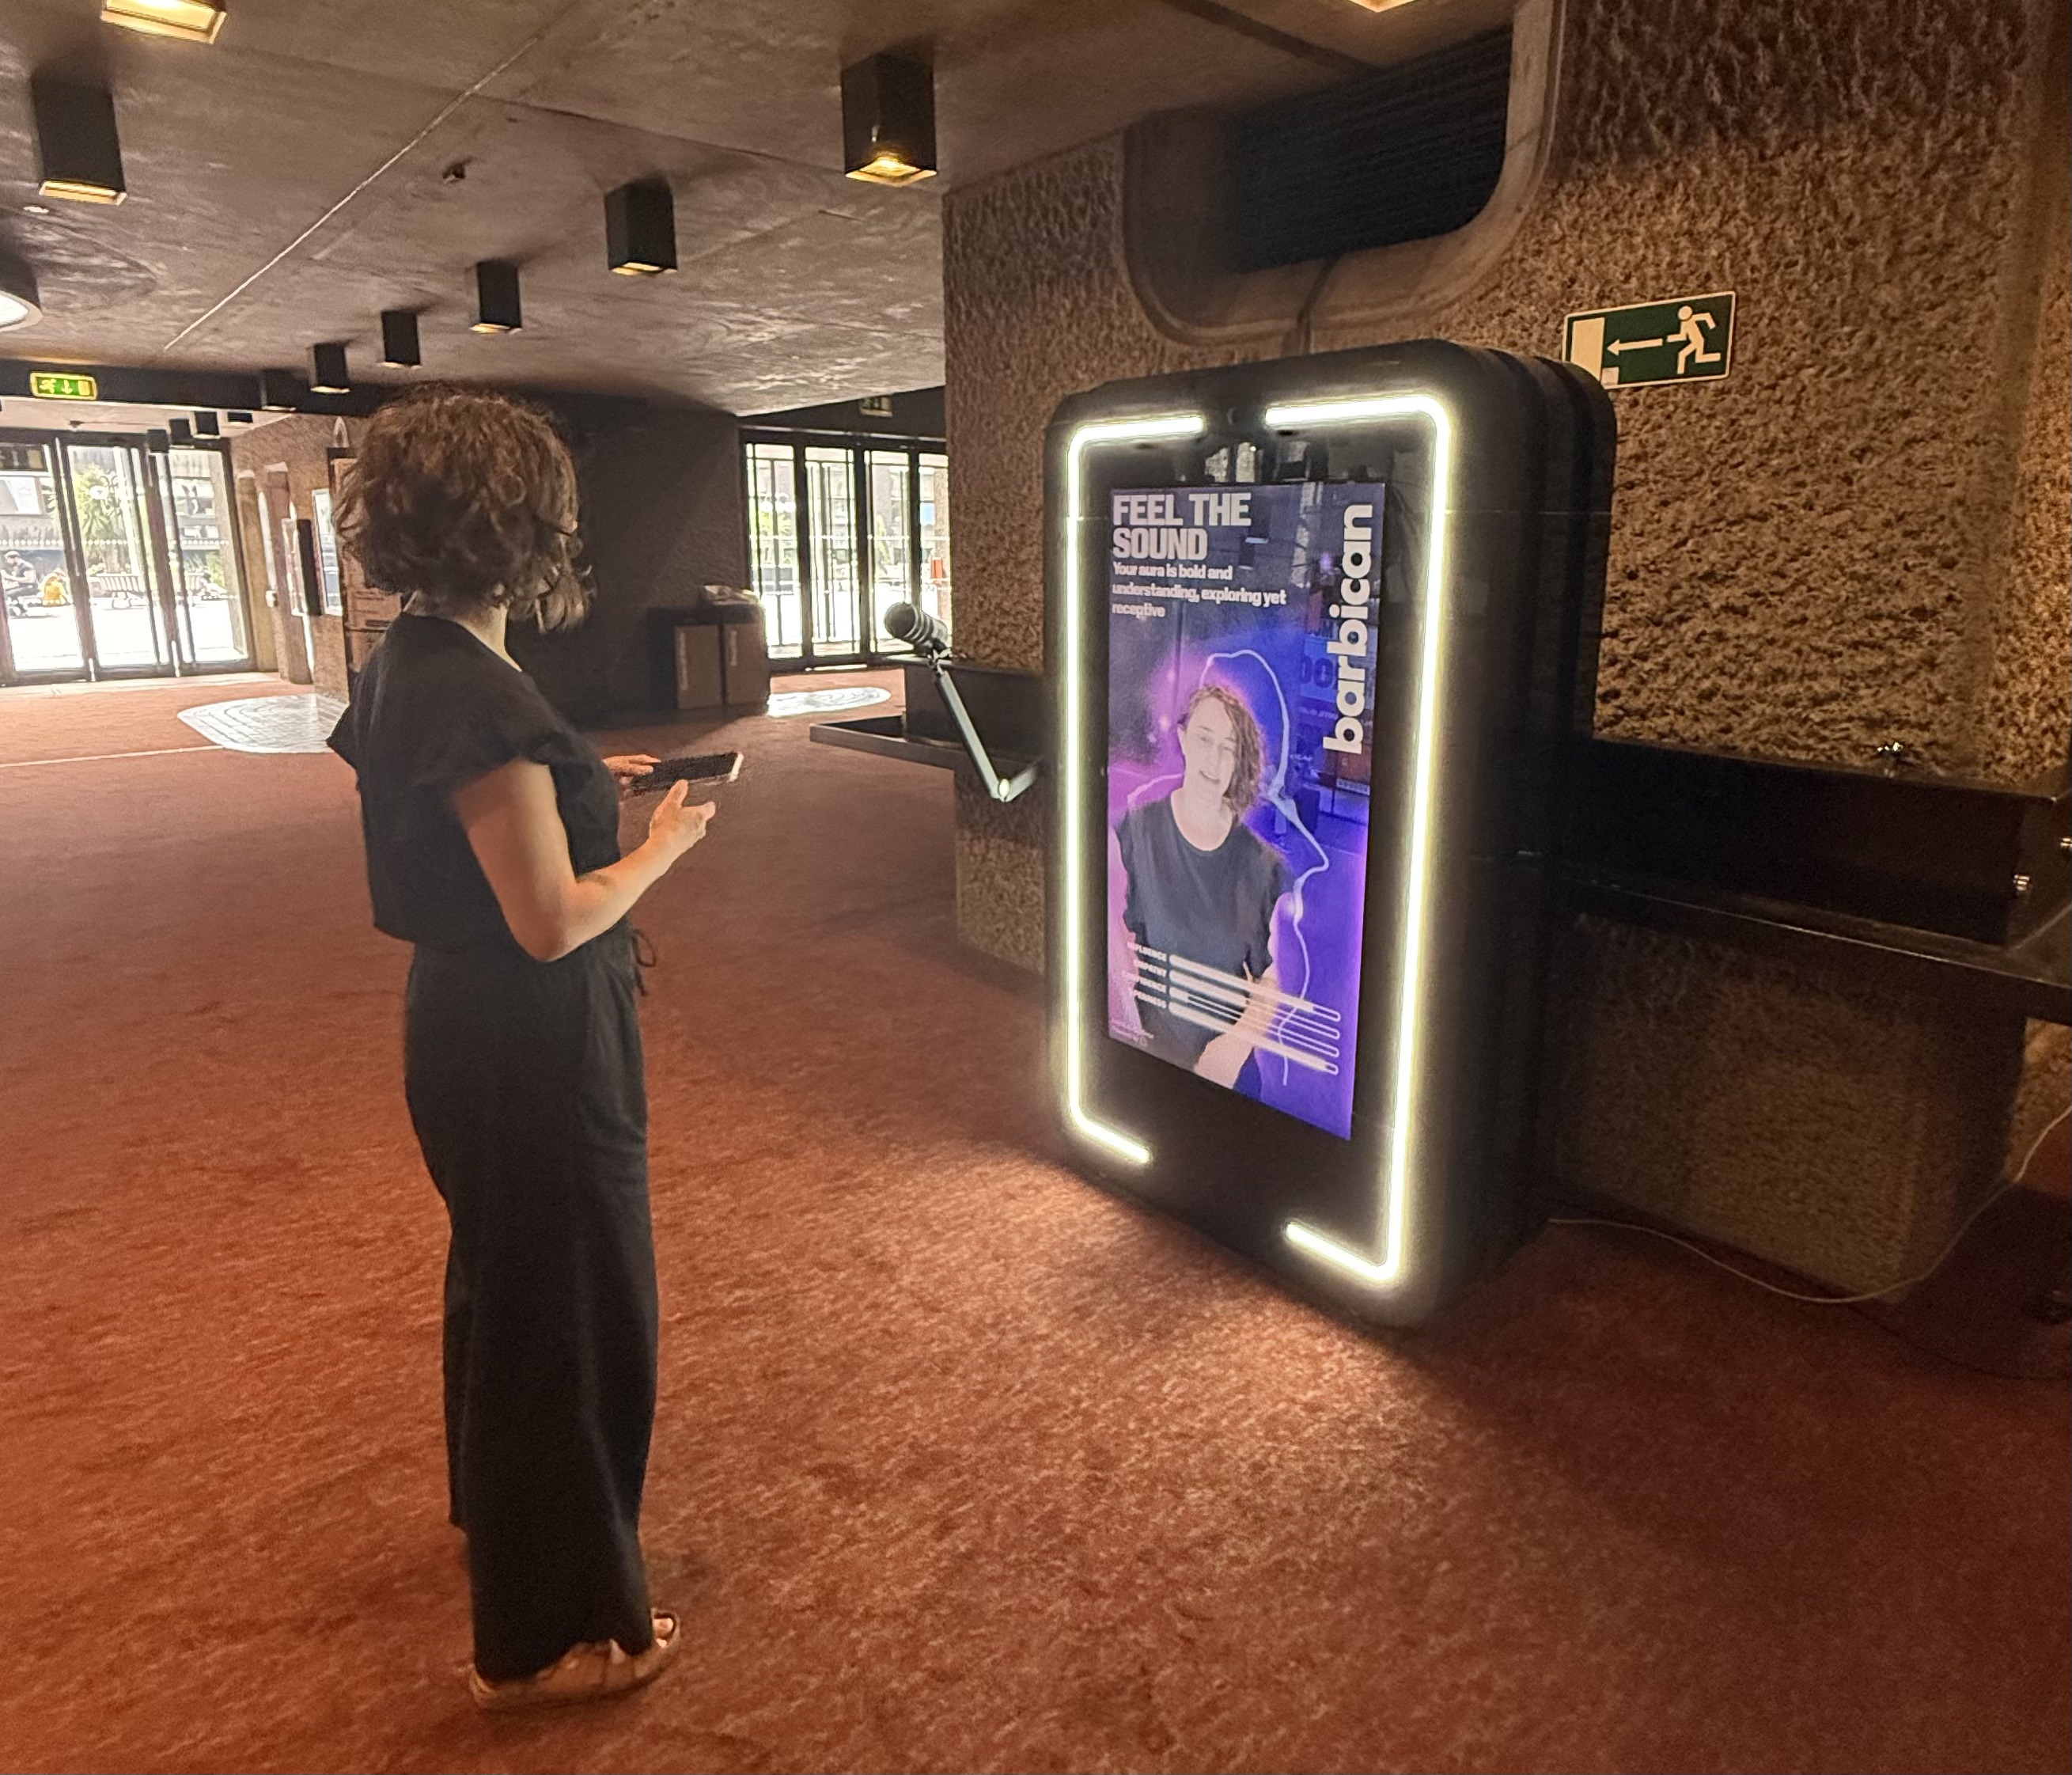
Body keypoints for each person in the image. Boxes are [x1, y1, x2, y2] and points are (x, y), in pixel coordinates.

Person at [326, 385, 714, 1711]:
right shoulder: (470, 688)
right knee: (574, 1315)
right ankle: (554, 1632)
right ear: (522, 525)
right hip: (532, 1029)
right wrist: (658, 845)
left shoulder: (407, 660)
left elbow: (474, 826)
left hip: (461, 1020)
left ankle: (505, 1529)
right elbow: (550, 922)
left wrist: (580, 790)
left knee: (506, 1285)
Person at [1112, 684, 1289, 1092]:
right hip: (1150, 1056)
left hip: (1227, 1073)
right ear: (1183, 740)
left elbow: (1277, 974)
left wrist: (1232, 1048)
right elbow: (1110, 933)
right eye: (1205, 739)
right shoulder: (1136, 832)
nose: (1214, 758)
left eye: (1228, 747)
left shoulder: (1261, 865)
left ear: (1238, 760)